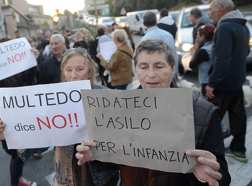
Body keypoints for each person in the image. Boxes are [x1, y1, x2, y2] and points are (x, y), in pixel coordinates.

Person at [76, 38, 231, 186]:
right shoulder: (120, 110)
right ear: (136, 70)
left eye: (159, 66)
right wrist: (97, 156)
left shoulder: (203, 113)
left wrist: (205, 178)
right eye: (143, 67)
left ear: (173, 69)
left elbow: (222, 176)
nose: (150, 75)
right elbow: (117, 160)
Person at [0, 47, 119, 186]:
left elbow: (120, 141)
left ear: (89, 71)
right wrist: (14, 134)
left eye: (80, 69)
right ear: (63, 72)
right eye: (69, 70)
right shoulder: (54, 98)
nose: (74, 75)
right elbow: (42, 140)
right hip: (67, 175)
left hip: (100, 176)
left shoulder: (105, 96)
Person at [0, 36, 39, 186]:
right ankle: (16, 183)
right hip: (7, 119)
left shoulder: (21, 69)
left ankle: (19, 180)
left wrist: (32, 62)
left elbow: (29, 83)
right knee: (16, 154)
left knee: (21, 151)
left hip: (24, 114)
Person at [205, 0, 250, 163]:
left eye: (211, 9)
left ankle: (210, 153)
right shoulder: (242, 26)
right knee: (238, 117)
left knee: (209, 119)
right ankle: (239, 150)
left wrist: (212, 83)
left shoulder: (224, 27)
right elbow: (245, 52)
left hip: (222, 84)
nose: (209, 13)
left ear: (221, 9)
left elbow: (221, 60)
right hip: (237, 81)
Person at [141, 11, 179, 83]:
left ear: (144, 24)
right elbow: (174, 56)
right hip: (170, 75)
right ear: (156, 22)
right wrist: (175, 75)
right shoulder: (169, 35)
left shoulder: (145, 39)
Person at [189, 23, 216, 96]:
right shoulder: (215, 45)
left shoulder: (204, 51)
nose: (197, 37)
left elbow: (191, 65)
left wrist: (195, 48)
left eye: (198, 35)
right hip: (215, 79)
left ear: (203, 36)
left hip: (206, 81)